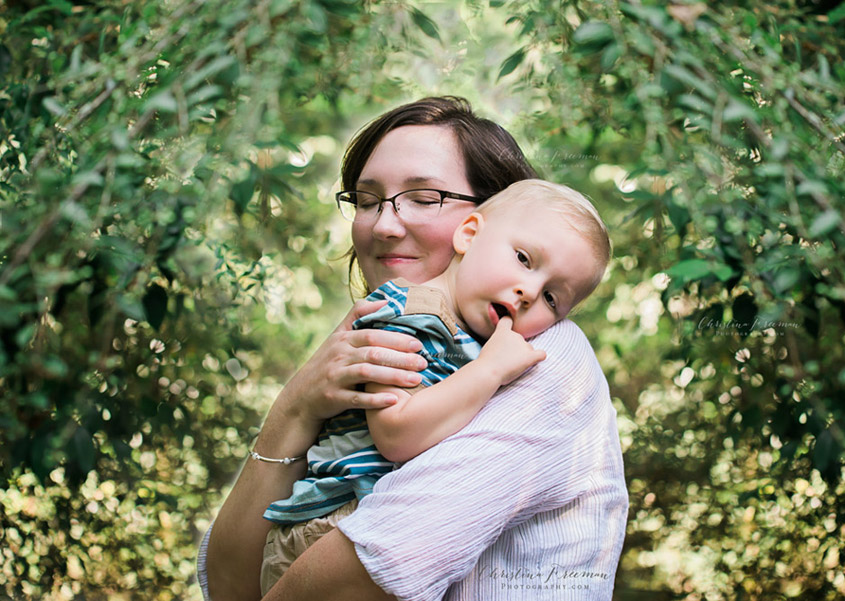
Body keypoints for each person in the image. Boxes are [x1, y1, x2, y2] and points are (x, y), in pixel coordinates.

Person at [201, 96, 628, 601]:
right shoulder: (382, 336)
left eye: (425, 198)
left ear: (486, 216)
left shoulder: (544, 356)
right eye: (366, 199)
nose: (382, 225)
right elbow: (230, 586)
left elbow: (376, 563)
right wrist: (296, 406)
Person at [258, 179, 612, 595]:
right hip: (328, 526)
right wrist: (489, 372)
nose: (529, 292)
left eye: (553, 299)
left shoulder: (473, 338)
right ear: (470, 234)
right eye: (523, 258)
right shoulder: (411, 309)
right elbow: (396, 433)